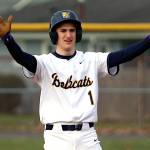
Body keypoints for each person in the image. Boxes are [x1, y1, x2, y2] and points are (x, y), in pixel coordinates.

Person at [0, 10, 150, 150]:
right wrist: (8, 40)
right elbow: (22, 58)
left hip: (88, 136)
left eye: (72, 30)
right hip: (56, 137)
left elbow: (124, 55)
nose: (68, 35)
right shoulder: (44, 63)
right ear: (54, 35)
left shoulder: (92, 60)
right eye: (63, 31)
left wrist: (148, 40)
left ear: (77, 34)